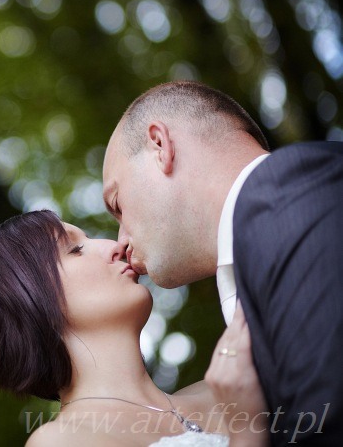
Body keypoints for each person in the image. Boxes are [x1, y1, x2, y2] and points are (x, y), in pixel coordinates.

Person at [102, 80, 343, 445]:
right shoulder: (268, 238)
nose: (120, 241)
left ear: (159, 145)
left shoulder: (294, 192)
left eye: (117, 204)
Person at [0, 210, 267, 446]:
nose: (113, 246)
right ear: (27, 300)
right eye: (74, 249)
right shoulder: (61, 441)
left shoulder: (230, 384)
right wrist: (250, 431)